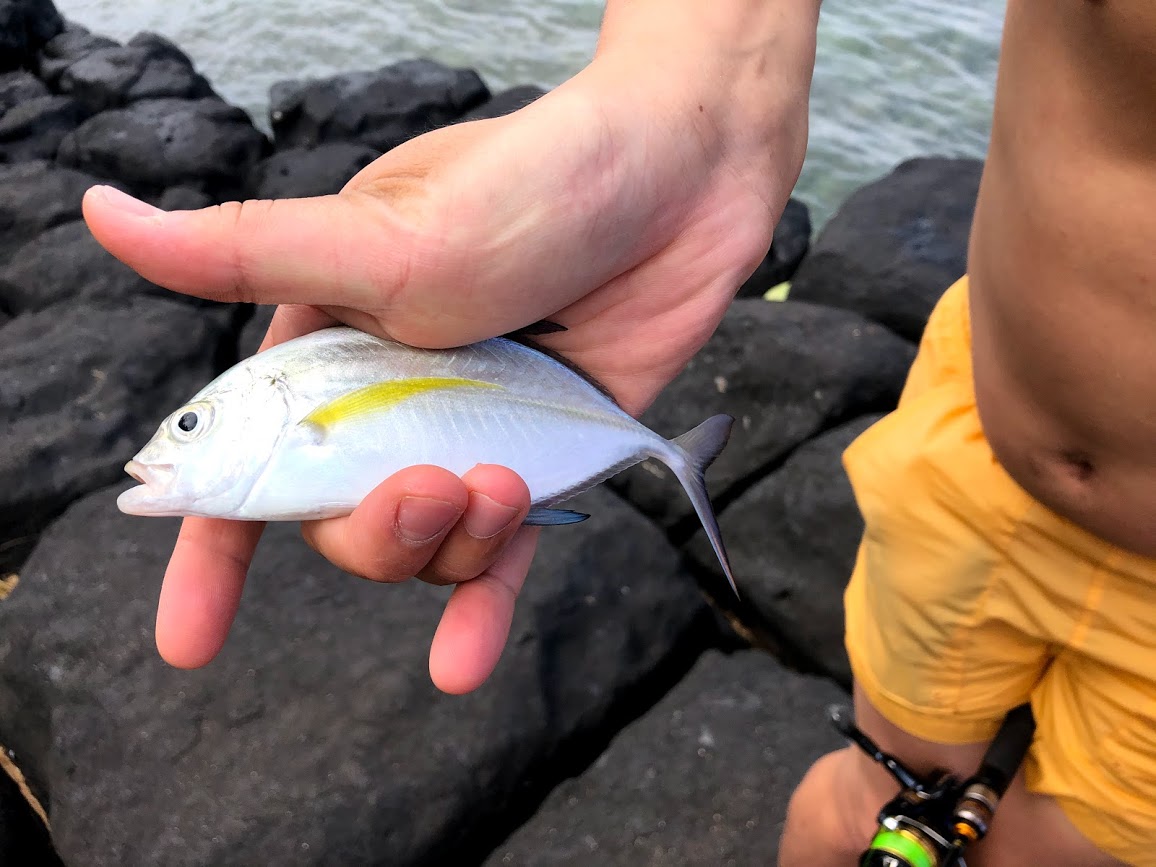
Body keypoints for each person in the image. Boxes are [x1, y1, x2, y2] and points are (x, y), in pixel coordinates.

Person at [82, 0, 1155, 864]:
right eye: (189, 422)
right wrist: (697, 94)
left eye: (192, 423)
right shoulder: (297, 392)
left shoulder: (289, 399)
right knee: (876, 792)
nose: (170, 443)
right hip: (978, 466)